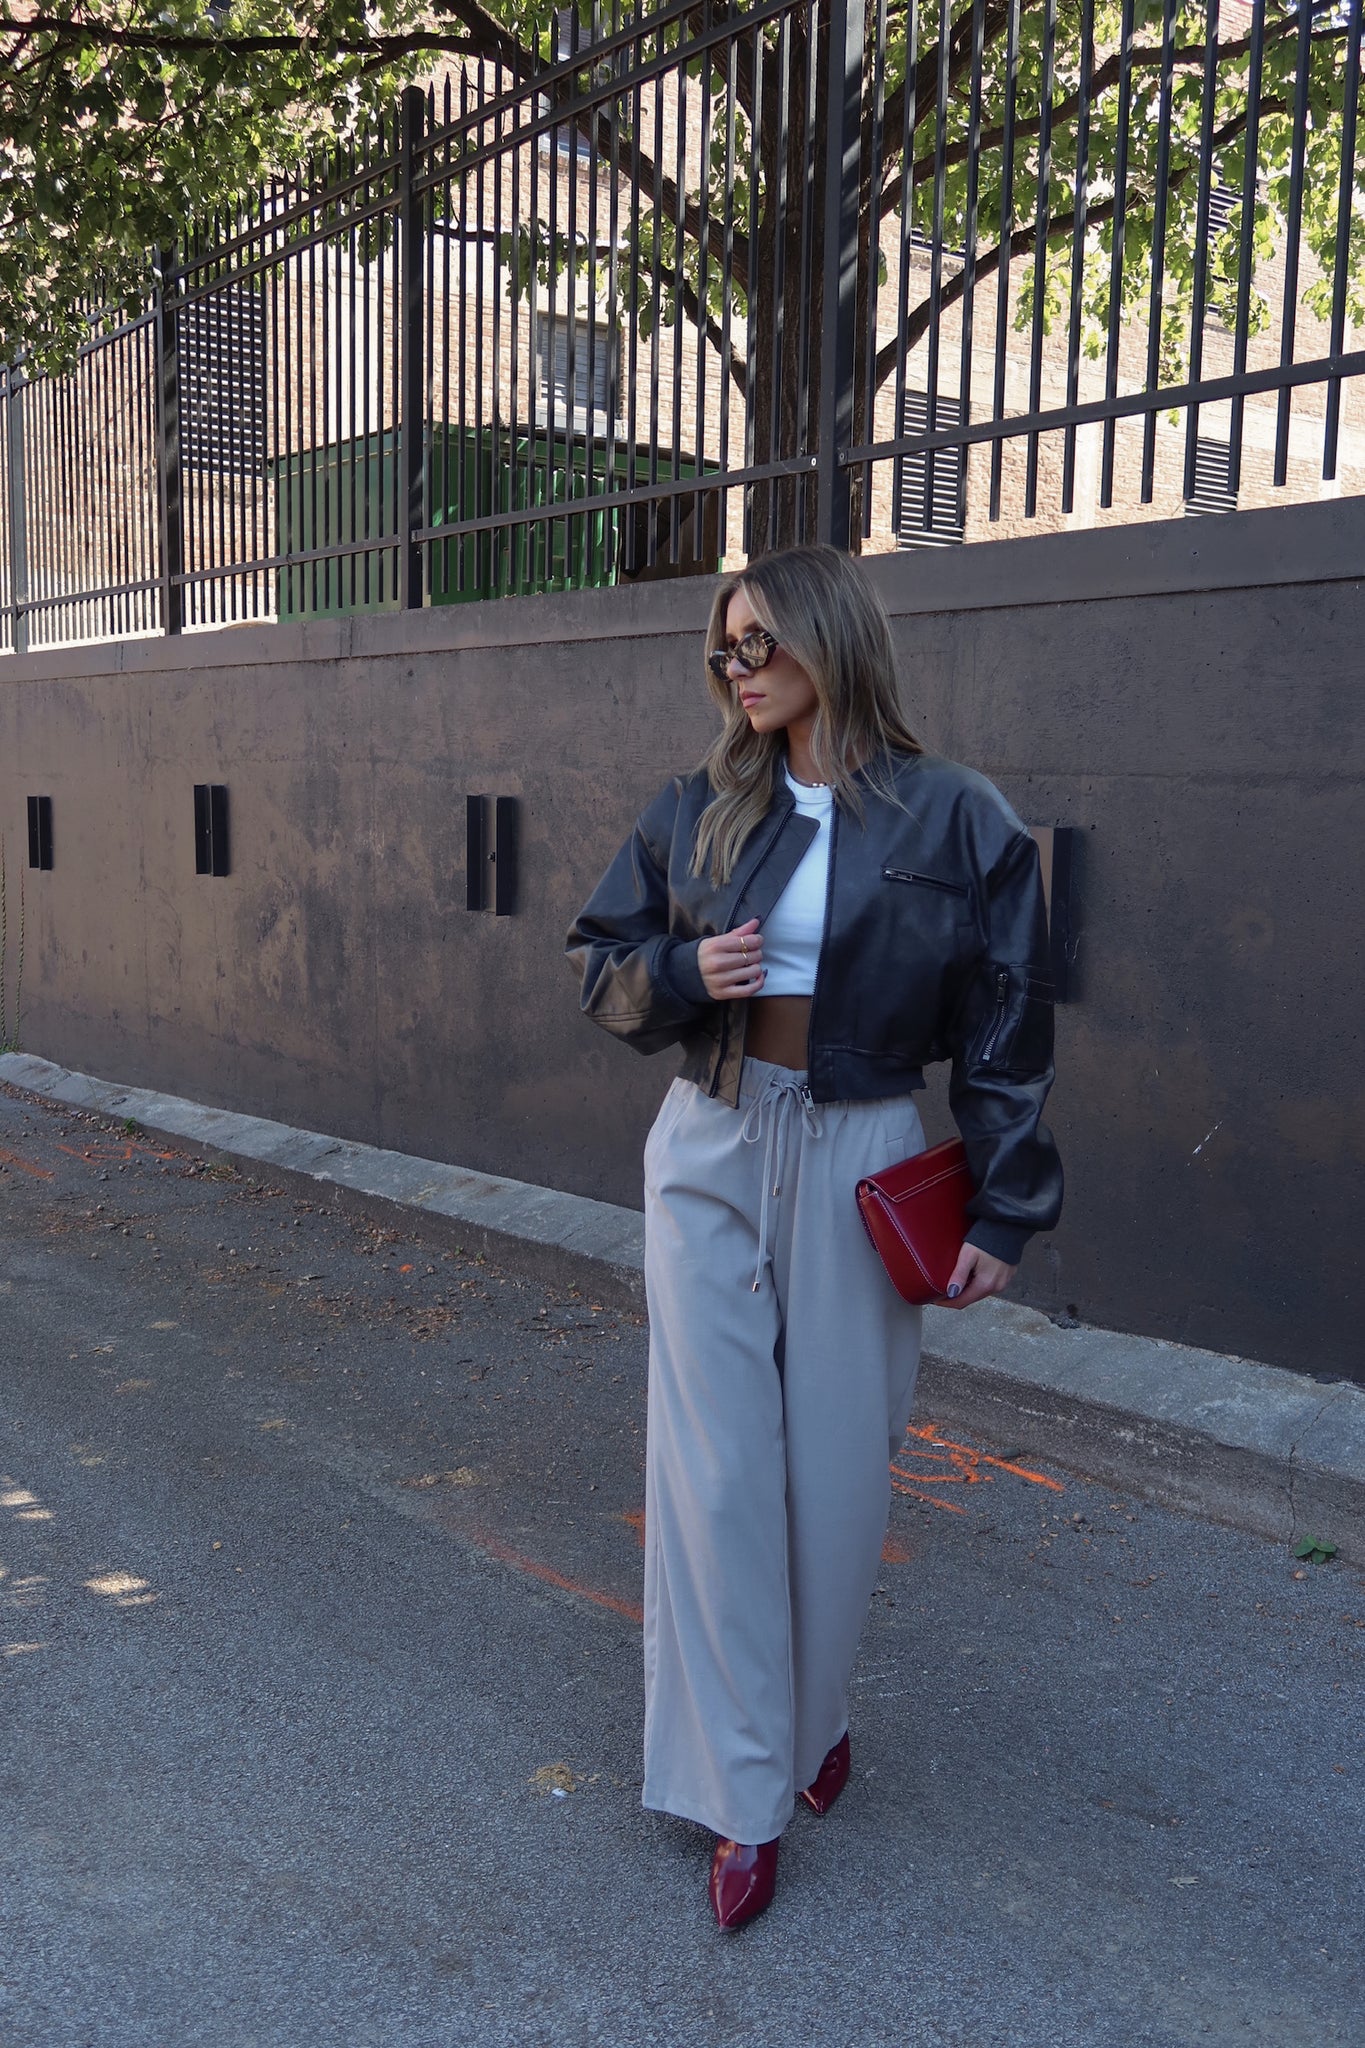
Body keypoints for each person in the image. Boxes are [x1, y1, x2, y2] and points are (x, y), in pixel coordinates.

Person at [566, 543, 1062, 1930]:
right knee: (716, 1476)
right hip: (712, 1142)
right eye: (723, 649)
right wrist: (683, 968)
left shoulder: (956, 816)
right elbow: (599, 962)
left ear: (829, 638)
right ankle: (743, 1791)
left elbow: (1007, 1027)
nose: (737, 669)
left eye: (759, 642)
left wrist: (1006, 1205)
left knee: (837, 1474)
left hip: (863, 1150)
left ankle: (812, 1717)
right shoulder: (697, 808)